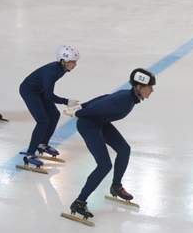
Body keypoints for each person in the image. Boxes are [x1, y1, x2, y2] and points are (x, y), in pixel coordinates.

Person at [61, 68, 156, 223]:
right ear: (139, 87)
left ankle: (116, 186)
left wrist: (82, 106)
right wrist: (79, 112)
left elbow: (104, 98)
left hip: (100, 122)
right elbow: (98, 107)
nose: (152, 90)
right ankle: (79, 202)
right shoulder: (125, 102)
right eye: (150, 87)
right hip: (88, 125)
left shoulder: (128, 96)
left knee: (124, 149)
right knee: (104, 165)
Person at [19, 46, 81, 168]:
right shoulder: (53, 71)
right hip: (29, 91)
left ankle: (42, 144)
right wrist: (66, 101)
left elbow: (46, 93)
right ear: (63, 61)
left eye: (76, 61)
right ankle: (30, 153)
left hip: (39, 90)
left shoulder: (61, 69)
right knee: (43, 121)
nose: (75, 65)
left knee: (54, 115)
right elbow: (49, 95)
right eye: (73, 62)